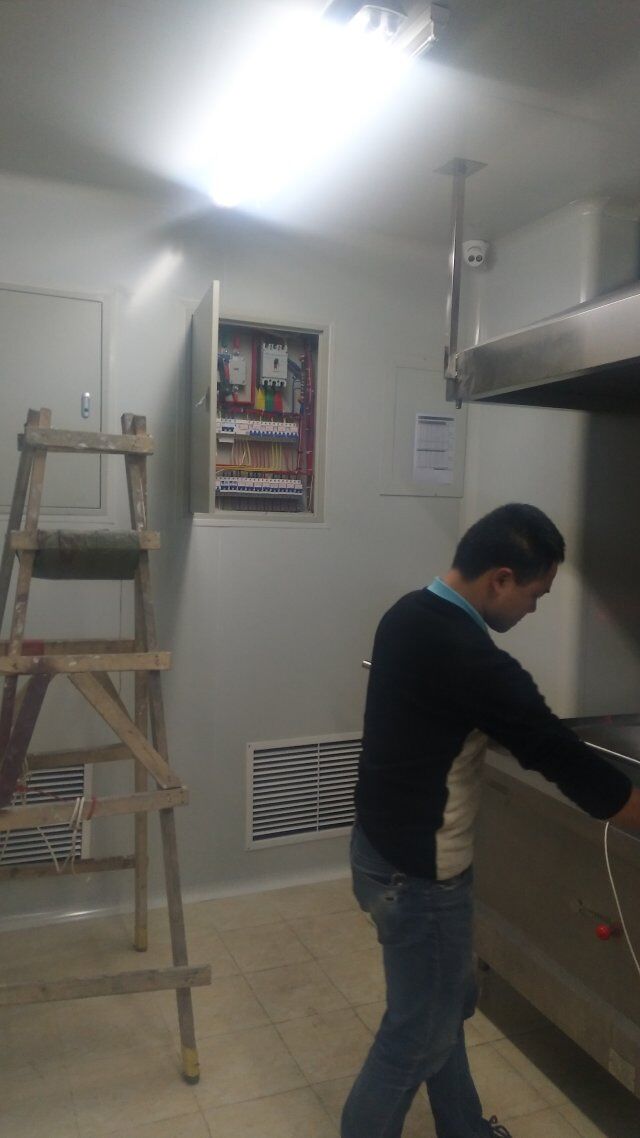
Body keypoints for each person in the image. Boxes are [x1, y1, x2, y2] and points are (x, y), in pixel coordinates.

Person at [341, 503, 640, 1138]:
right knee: (415, 1036)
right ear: (501, 578)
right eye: (535, 595)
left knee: (441, 1010)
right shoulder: (474, 661)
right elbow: (563, 757)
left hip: (376, 852)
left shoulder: (407, 613)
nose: (533, 610)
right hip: (421, 878)